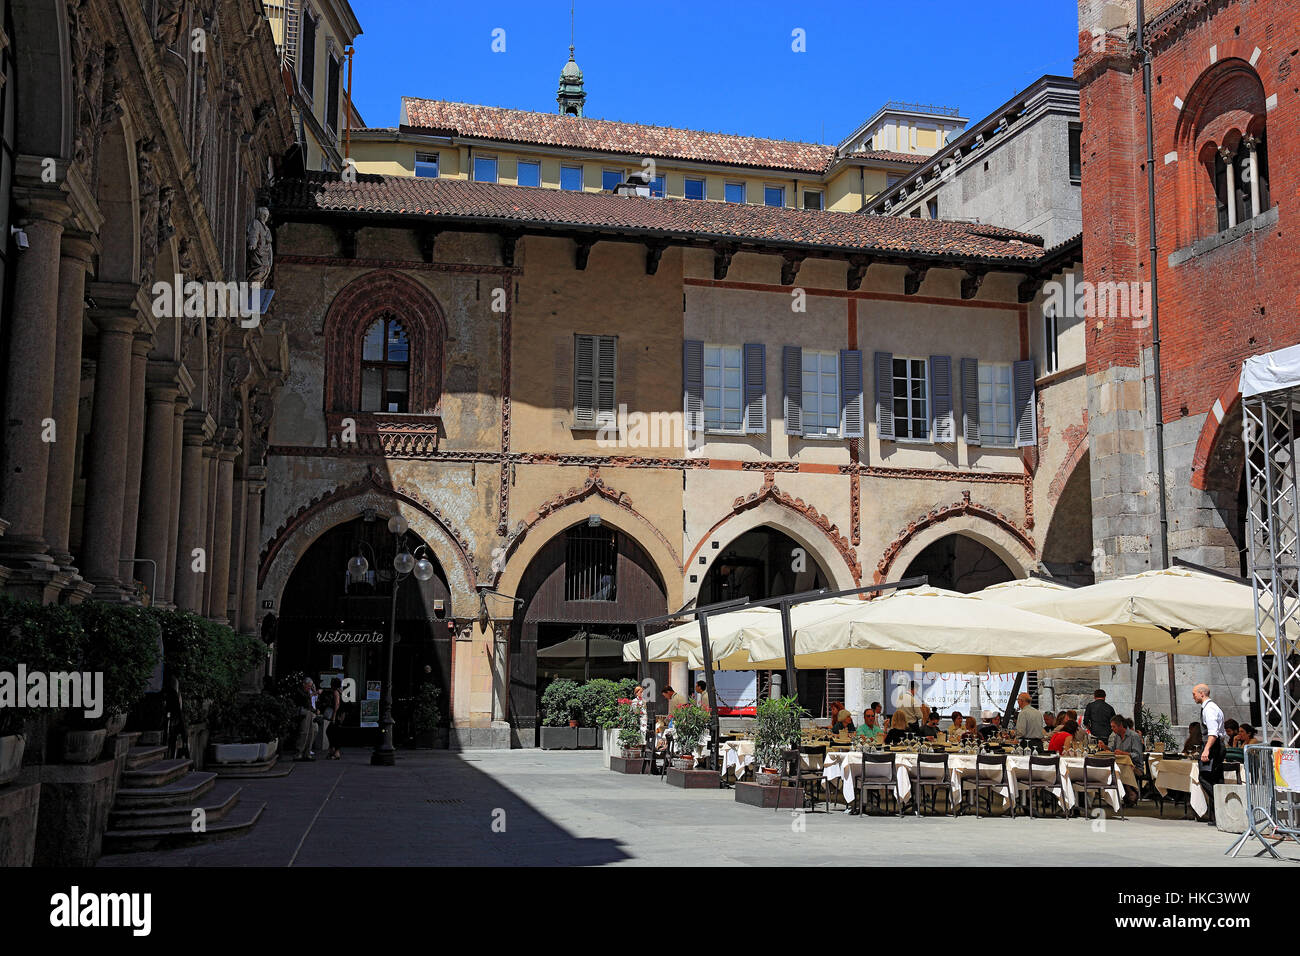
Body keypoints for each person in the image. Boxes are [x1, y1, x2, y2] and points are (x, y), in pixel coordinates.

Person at [1192, 683, 1226, 824]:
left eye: (1194, 694)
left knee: (1205, 777)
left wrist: (1206, 749)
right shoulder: (1211, 707)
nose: (1193, 697)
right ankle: (1219, 816)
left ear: (1202, 693)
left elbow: (1213, 733)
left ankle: (1221, 806)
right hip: (1216, 746)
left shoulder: (1209, 709)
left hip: (1213, 746)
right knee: (1215, 779)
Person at [1100, 714, 1144, 804]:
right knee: (1110, 769)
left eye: (1114, 726)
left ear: (1120, 726)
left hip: (1135, 766)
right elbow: (1113, 750)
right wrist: (1105, 747)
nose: (1112, 729)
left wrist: (1124, 753)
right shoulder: (1117, 736)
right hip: (1121, 764)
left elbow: (1138, 755)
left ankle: (1130, 792)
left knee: (1117, 769)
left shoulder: (1134, 736)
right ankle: (1115, 796)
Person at [316, 678, 343, 760]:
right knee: (332, 732)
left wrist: (333, 716)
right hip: (339, 716)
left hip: (336, 716)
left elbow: (337, 704)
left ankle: (335, 752)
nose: (330, 684)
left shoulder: (335, 692)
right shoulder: (339, 691)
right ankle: (332, 751)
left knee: (331, 732)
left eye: (331, 683)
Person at [293, 677, 317, 761]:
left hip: (309, 712)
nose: (310, 688)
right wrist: (314, 692)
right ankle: (299, 753)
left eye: (311, 686)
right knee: (303, 732)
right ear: (304, 684)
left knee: (311, 733)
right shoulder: (300, 691)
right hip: (304, 713)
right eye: (309, 686)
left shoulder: (307, 692)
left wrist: (314, 710)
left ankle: (307, 753)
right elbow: (304, 699)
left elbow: (309, 703)